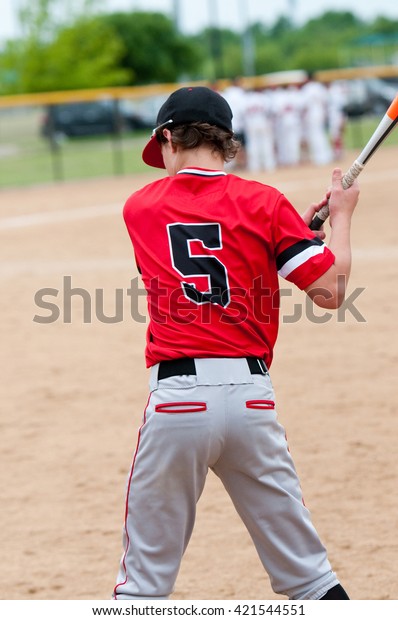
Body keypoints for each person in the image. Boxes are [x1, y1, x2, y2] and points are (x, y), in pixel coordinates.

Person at [113, 86, 359, 601]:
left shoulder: (139, 208)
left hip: (178, 401)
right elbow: (331, 291)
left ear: (168, 137)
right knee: (310, 578)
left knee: (142, 588)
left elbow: (203, 247)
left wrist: (283, 236)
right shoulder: (265, 202)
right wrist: (336, 221)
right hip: (252, 401)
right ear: (226, 142)